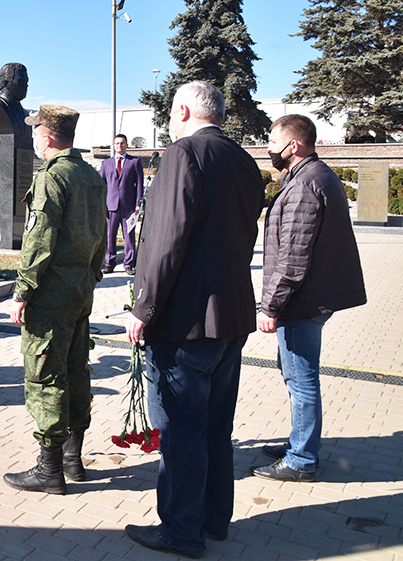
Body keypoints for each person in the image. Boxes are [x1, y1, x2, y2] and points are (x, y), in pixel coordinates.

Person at [124, 81, 264, 557]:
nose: (169, 118)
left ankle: (181, 532)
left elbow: (165, 240)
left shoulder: (184, 154)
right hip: (231, 316)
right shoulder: (243, 159)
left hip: (186, 323)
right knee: (216, 429)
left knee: (183, 434)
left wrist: (143, 308)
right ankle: (213, 520)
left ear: (183, 110)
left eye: (170, 110)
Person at [251, 114, 366, 482]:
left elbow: (293, 256)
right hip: (309, 296)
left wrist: (270, 306)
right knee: (296, 374)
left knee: (301, 379)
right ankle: (299, 441)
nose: (269, 150)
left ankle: (300, 459)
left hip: (302, 300)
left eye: (273, 143)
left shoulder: (304, 184)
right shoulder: (314, 175)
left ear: (293, 145)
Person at [3, 104, 108, 495]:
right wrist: (91, 276)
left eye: (35, 131)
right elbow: (102, 235)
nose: (33, 137)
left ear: (46, 137)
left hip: (50, 294)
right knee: (76, 370)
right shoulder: (90, 175)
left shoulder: (52, 177)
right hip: (81, 290)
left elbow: (39, 239)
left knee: (46, 375)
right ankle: (72, 459)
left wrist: (22, 291)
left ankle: (49, 470)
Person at [99, 133, 143, 275]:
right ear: (114, 145)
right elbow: (101, 185)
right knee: (110, 236)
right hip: (111, 206)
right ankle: (109, 263)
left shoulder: (134, 162)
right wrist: (101, 204)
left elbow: (139, 184)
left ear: (127, 145)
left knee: (129, 236)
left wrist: (138, 203)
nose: (120, 145)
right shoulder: (106, 164)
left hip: (128, 206)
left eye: (122, 143)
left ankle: (129, 264)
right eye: (117, 143)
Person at [0, 63, 30, 137]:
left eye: (26, 81)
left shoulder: (26, 114)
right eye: (21, 81)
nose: (26, 85)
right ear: (6, 83)